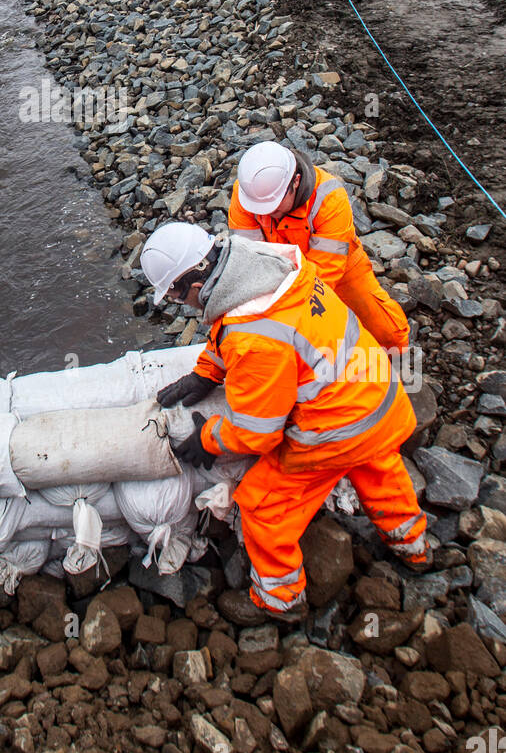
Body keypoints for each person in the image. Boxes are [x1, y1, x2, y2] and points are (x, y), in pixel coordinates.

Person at [139, 222, 429, 620]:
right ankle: (411, 546)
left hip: (338, 430)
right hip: (380, 402)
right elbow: (250, 322)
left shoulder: (254, 338)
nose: (177, 302)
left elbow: (258, 432)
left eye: (174, 292)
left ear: (194, 279)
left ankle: (280, 600)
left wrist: (207, 438)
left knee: (264, 507)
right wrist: (207, 371)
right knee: (377, 466)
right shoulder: (269, 265)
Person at [228, 140, 410, 353]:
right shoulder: (248, 193)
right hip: (276, 270)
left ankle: (397, 364)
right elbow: (247, 256)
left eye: (274, 206)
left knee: (386, 333)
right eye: (262, 208)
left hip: (342, 270)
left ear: (295, 182)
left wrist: (291, 313)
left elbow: (325, 272)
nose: (267, 213)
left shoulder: (329, 197)